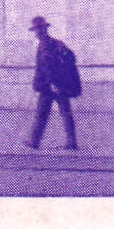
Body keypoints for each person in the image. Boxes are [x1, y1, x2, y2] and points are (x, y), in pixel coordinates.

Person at [25, 16, 81, 151]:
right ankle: (69, 142)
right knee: (61, 113)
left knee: (46, 113)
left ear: (44, 29)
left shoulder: (46, 45)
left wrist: (53, 82)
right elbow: (71, 57)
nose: (37, 32)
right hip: (55, 85)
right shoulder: (55, 43)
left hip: (51, 86)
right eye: (36, 30)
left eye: (38, 29)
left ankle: (35, 141)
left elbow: (48, 66)